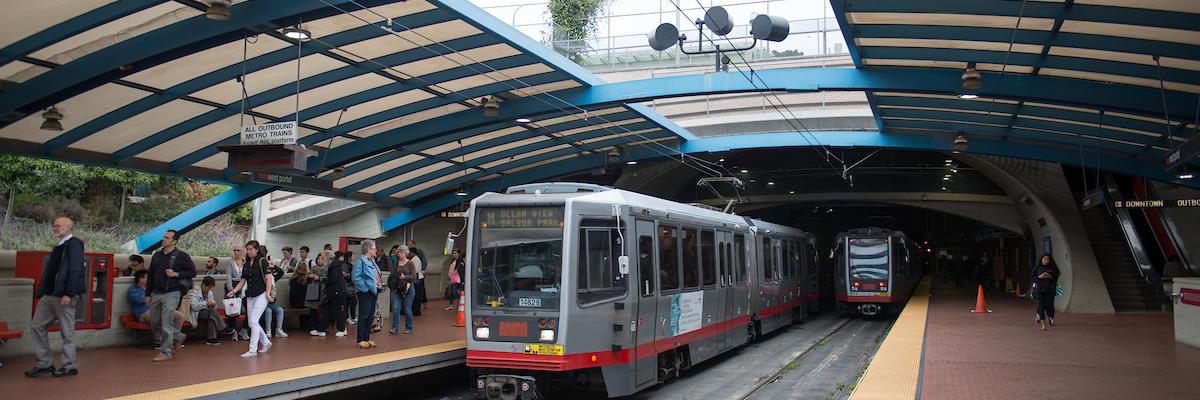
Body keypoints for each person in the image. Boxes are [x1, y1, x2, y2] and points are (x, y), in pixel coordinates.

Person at [25, 217, 86, 378]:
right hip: (50, 295)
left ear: (68, 227)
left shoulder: (74, 245)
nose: (55, 228)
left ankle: (69, 366)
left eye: (57, 225)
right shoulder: (59, 246)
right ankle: (44, 364)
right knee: (37, 325)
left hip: (63, 296)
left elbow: (75, 270)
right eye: (54, 225)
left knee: (67, 332)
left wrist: (69, 293)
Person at [147, 229, 197, 362]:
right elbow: (150, 275)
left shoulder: (182, 256)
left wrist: (176, 274)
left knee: (166, 321)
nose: (164, 239)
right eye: (164, 237)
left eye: (167, 238)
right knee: (154, 321)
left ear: (174, 242)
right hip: (156, 292)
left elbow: (192, 272)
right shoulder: (157, 255)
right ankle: (178, 336)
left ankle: (166, 352)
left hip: (172, 292)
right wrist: (148, 293)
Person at [227, 243, 274, 357]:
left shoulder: (262, 261)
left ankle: (252, 349)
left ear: (257, 250)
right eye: (247, 249)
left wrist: (268, 294)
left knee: (253, 320)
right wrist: (234, 291)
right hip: (250, 295)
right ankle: (266, 342)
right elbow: (243, 281)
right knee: (252, 322)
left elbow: (268, 278)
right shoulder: (246, 264)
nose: (248, 251)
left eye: (251, 249)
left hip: (261, 294)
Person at [352, 240, 382, 348]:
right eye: (374, 248)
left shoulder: (372, 260)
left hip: (373, 292)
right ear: (369, 249)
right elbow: (355, 277)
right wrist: (365, 288)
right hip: (366, 293)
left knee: (370, 316)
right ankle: (360, 340)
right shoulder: (361, 261)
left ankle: (366, 339)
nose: (376, 250)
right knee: (364, 315)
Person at [311, 250, 348, 337]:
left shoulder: (334, 266)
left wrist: (320, 279)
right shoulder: (335, 266)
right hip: (334, 291)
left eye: (323, 258)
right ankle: (321, 329)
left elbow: (332, 279)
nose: (321, 260)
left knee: (336, 311)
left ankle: (342, 329)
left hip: (336, 292)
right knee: (327, 311)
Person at [187, 276, 226, 345]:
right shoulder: (194, 292)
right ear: (204, 285)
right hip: (198, 313)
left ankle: (211, 339)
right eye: (209, 287)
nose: (209, 289)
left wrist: (213, 305)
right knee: (211, 313)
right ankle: (223, 328)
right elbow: (194, 306)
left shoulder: (210, 293)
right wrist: (206, 304)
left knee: (212, 316)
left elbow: (214, 306)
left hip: (208, 312)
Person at [259, 245, 286, 338]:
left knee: (280, 310)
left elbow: (281, 273)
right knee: (268, 311)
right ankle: (268, 331)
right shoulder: (261, 271)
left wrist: (272, 265)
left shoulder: (272, 275)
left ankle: (279, 329)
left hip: (272, 299)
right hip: (263, 299)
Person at [1032, 253, 1060, 331]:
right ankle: (1043, 324)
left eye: (1048, 259)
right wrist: (1039, 277)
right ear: (1041, 259)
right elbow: (1033, 278)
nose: (1046, 261)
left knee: (1049, 306)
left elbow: (1056, 276)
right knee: (1041, 306)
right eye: (1045, 259)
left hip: (1050, 290)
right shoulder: (1037, 268)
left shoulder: (1052, 268)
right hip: (1040, 290)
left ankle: (1050, 318)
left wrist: (1050, 276)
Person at [389, 251, 415, 334]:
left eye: (401, 252)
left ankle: (409, 328)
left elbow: (414, 276)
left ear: (405, 253)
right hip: (398, 288)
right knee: (396, 308)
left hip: (408, 288)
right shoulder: (396, 263)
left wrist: (405, 277)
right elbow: (393, 274)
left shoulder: (410, 263)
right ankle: (395, 328)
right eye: (398, 252)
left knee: (407, 309)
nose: (399, 254)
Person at [224, 245, 246, 340]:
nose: (236, 252)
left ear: (242, 251)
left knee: (248, 308)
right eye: (234, 250)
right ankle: (234, 331)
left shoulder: (246, 262)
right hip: (233, 285)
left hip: (244, 286)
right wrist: (230, 290)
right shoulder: (230, 262)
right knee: (232, 310)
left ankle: (244, 329)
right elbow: (228, 276)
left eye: (238, 250)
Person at [404, 244, 427, 316]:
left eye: (409, 253)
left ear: (413, 253)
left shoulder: (416, 260)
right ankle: (413, 310)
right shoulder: (412, 260)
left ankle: (416, 311)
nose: (408, 254)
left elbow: (415, 270)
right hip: (415, 278)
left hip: (417, 279)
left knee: (417, 296)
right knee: (414, 296)